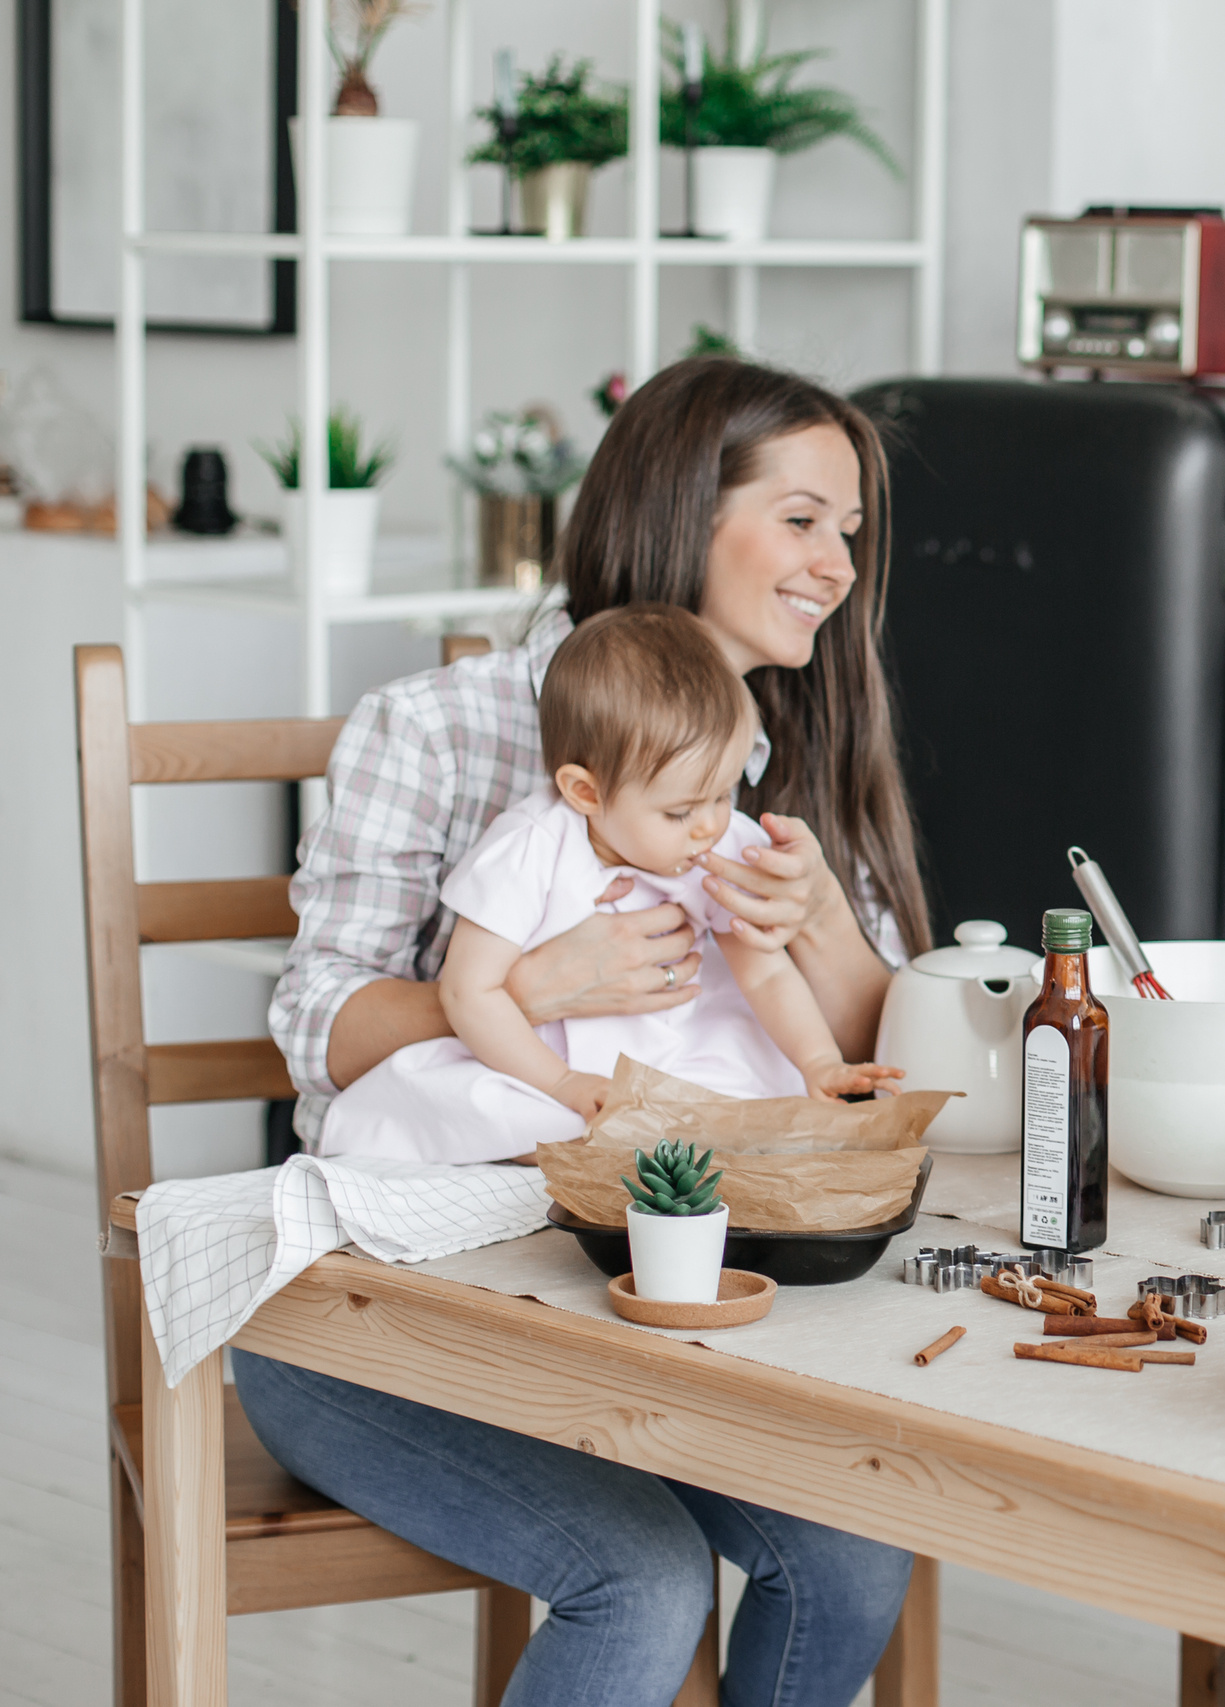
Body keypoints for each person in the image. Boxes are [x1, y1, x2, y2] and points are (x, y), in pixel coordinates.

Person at [242, 357, 926, 1706]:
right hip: (386, 1302)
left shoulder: (783, 751)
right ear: (678, 513)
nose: (838, 565)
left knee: (855, 1549)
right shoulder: (438, 726)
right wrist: (527, 990)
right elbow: (310, 1026)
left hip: (650, 1295)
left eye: (849, 530)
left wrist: (819, 921)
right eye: (800, 519)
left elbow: (871, 1067)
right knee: (646, 1580)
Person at [320, 603, 901, 1161]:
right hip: (542, 1064)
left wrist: (818, 1061)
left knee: (747, 1105)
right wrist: (563, 1082)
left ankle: (667, 1142)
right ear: (585, 793)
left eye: (724, 794)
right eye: (679, 811)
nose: (710, 825)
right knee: (480, 1105)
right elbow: (467, 992)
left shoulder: (717, 842)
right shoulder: (529, 848)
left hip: (682, 1052)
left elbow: (765, 971)